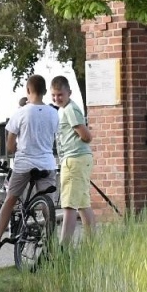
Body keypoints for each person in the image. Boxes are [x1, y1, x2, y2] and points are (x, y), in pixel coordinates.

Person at [0, 75, 59, 259]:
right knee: (47, 203)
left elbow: (9, 146)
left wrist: (17, 147)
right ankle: (51, 243)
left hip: (24, 164)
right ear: (45, 91)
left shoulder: (21, 113)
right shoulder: (53, 113)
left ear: (28, 90)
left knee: (10, 199)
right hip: (47, 163)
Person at [50, 76, 95, 244]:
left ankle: (63, 247)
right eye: (53, 95)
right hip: (79, 159)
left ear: (69, 92)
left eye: (60, 94)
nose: (56, 98)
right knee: (83, 205)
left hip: (74, 159)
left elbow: (86, 136)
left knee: (69, 206)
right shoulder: (65, 109)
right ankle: (92, 245)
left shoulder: (69, 109)